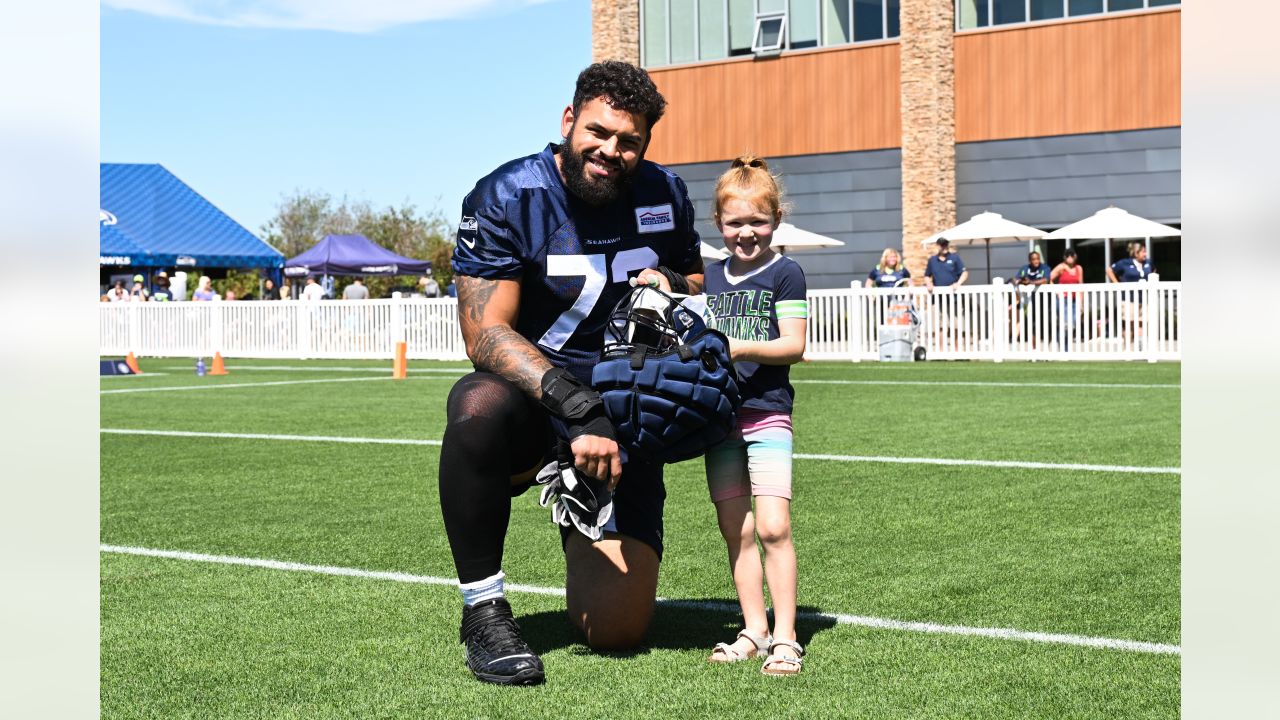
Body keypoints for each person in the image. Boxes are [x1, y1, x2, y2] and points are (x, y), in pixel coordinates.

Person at [440, 61, 702, 686]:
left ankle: (580, 496)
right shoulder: (508, 195)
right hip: (539, 398)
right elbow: (484, 333)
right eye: (598, 132)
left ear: (645, 143)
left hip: (626, 403)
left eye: (629, 140)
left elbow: (694, 278)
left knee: (616, 633)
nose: (611, 151)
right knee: (476, 405)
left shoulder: (664, 193)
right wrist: (576, 407)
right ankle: (484, 607)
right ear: (569, 122)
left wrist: (669, 283)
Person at [701, 156, 808, 676]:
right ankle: (754, 630)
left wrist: (739, 347)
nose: (746, 233)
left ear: (776, 220)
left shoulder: (785, 272)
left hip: (767, 417)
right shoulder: (711, 277)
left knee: (772, 527)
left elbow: (794, 346)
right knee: (735, 531)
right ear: (717, 223)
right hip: (719, 422)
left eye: (757, 222)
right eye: (734, 223)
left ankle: (787, 636)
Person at [1106, 242, 1155, 344]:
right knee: (1129, 324)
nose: (1145, 254)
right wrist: (1117, 284)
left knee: (1142, 323)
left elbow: (1153, 271)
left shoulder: (1148, 263)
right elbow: (1109, 270)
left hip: (1144, 298)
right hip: (1129, 299)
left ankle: (1141, 348)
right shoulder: (1125, 263)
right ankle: (1127, 349)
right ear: (1136, 253)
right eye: (1143, 252)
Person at [923, 238, 968, 350]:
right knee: (940, 326)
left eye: (945, 245)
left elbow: (964, 273)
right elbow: (927, 275)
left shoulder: (955, 258)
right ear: (937, 246)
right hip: (938, 299)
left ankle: (958, 352)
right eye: (941, 245)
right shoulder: (932, 260)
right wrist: (929, 284)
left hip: (954, 298)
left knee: (957, 325)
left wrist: (958, 283)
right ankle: (941, 351)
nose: (944, 247)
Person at [1014, 251, 1050, 346]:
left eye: (1038, 258)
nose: (1036, 261)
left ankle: (1046, 346)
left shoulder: (1045, 268)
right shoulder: (1025, 268)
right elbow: (1016, 279)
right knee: (1032, 325)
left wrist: (1030, 282)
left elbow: (1045, 280)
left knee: (1043, 324)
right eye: (1034, 259)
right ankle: (1034, 349)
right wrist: (1021, 281)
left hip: (1043, 302)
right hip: (1028, 302)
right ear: (1030, 260)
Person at [1051, 249, 1084, 351]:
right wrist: (1057, 292)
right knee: (1065, 324)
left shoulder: (1078, 268)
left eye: (1072, 255)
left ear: (1075, 257)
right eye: (1067, 255)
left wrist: (1081, 303)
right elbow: (1049, 278)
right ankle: (1063, 349)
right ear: (1064, 257)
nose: (1070, 257)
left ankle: (1066, 348)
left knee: (1073, 323)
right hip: (1063, 299)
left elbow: (1081, 285)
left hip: (1075, 299)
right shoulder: (1061, 267)